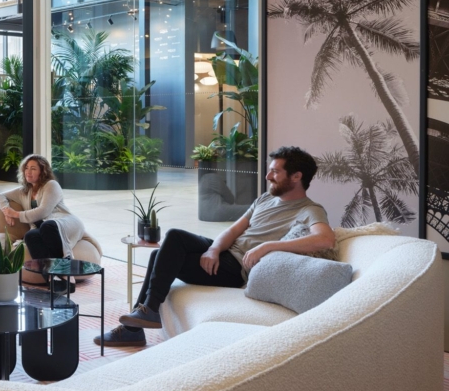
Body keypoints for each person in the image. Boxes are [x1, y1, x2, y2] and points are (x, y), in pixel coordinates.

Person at [97, 146, 334, 347]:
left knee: (161, 252)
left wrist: (268, 247)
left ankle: (138, 323)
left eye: (275, 171)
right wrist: (214, 249)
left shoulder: (309, 209)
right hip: (226, 253)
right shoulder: (265, 199)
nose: (267, 176)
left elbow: (325, 239)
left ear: (296, 176)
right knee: (172, 240)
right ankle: (144, 317)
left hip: (236, 269)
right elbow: (233, 230)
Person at [0, 154, 86, 293]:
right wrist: (6, 211)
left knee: (47, 226)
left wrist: (16, 214)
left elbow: (43, 211)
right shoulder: (24, 191)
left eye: (33, 169)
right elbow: (0, 196)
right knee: (30, 236)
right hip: (44, 228)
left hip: (65, 223)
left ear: (42, 171)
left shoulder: (51, 185)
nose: (28, 172)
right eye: (26, 168)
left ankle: (66, 273)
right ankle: (51, 278)